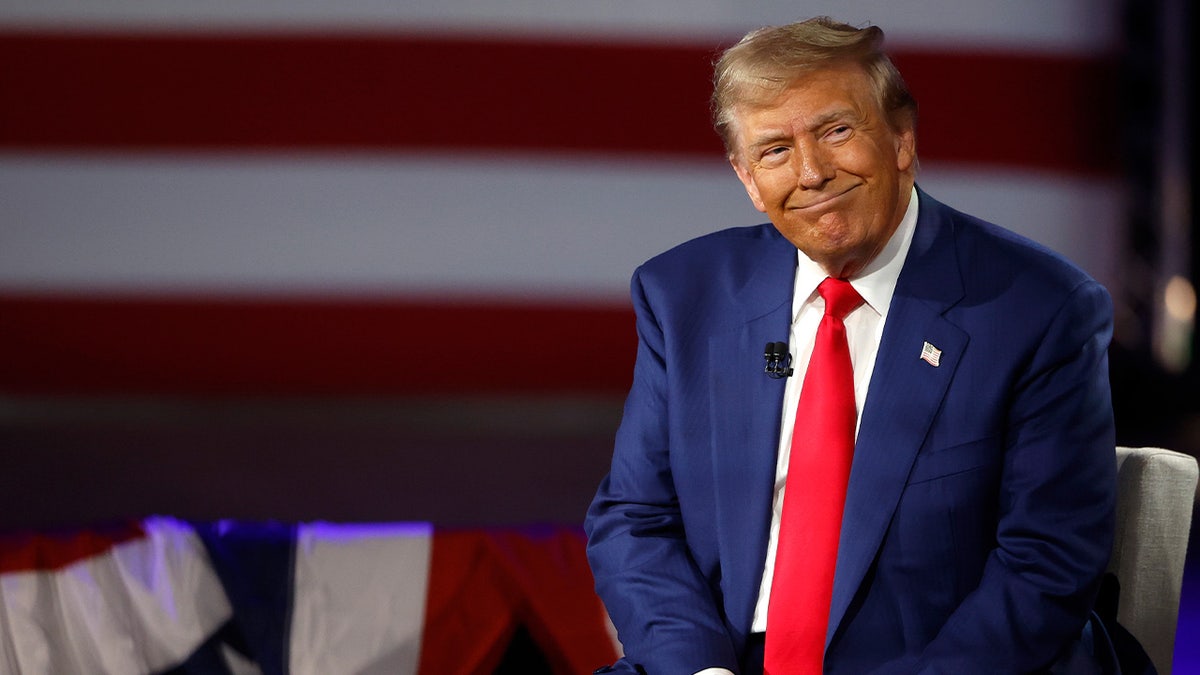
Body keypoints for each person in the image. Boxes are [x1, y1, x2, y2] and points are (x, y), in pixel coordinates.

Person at [585, 16, 1120, 675]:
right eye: (775, 150)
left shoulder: (1038, 309)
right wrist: (701, 669)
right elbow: (634, 519)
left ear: (901, 138)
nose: (811, 172)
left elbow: (1048, 562)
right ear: (748, 178)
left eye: (836, 131)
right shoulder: (683, 297)